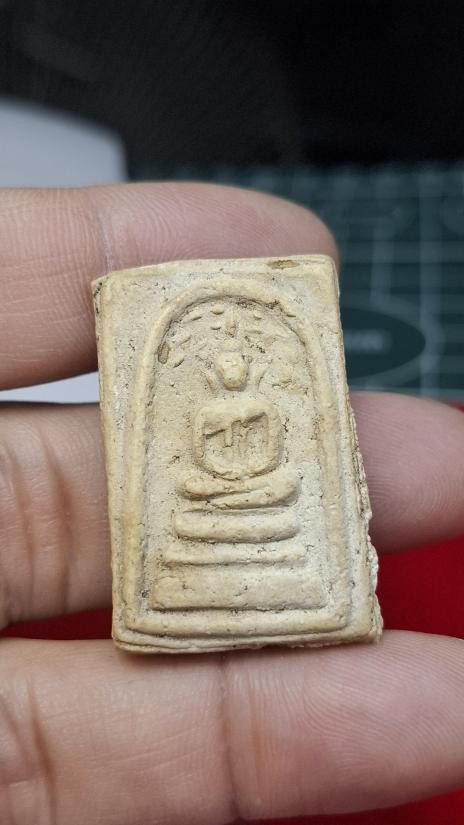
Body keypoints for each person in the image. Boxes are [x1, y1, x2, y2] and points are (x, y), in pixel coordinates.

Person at [0, 182, 463, 824]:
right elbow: (202, 459)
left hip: (261, 491)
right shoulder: (209, 410)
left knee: (279, 487)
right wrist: (222, 474)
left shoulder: (260, 406)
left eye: (238, 371)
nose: (232, 376)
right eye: (224, 372)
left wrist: (247, 473)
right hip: (216, 491)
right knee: (193, 493)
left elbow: (270, 459)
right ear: (216, 375)